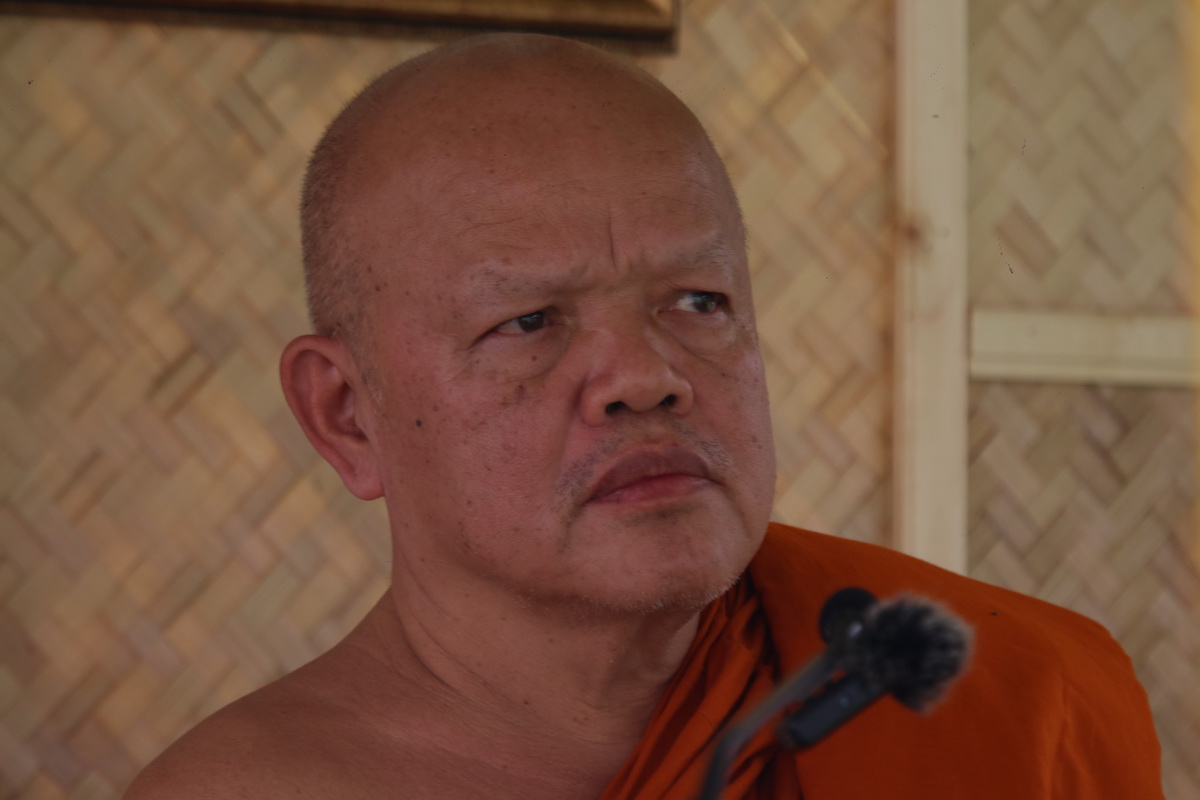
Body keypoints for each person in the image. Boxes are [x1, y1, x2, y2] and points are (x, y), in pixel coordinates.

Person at [124, 32, 1163, 799]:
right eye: (528, 321)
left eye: (698, 302)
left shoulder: (1006, 694)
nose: (646, 375)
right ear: (348, 416)